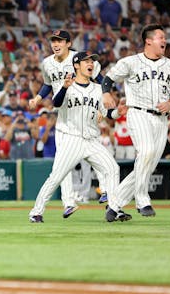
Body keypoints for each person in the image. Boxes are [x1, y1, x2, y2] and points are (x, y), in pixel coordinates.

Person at [29, 52, 126, 223]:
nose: (90, 64)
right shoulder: (67, 86)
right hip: (72, 139)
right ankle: (36, 212)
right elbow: (56, 103)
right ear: (76, 65)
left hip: (91, 140)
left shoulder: (98, 89)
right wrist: (65, 87)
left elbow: (107, 113)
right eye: (86, 61)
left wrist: (119, 112)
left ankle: (114, 208)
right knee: (57, 177)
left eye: (92, 61)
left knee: (112, 168)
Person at [102, 24, 170, 219]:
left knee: (146, 165)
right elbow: (108, 78)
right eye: (160, 37)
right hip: (138, 113)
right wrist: (106, 93)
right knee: (146, 152)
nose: (164, 40)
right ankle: (142, 200)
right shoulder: (131, 62)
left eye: (164, 38)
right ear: (148, 41)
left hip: (161, 120)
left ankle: (114, 205)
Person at [28, 29, 102, 216]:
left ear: (69, 43)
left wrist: (102, 108)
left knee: (97, 157)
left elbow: (101, 81)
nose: (56, 44)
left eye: (60, 40)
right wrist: (37, 98)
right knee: (63, 163)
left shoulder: (82, 59)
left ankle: (107, 193)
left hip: (83, 115)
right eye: (53, 40)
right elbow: (48, 84)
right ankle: (68, 202)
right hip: (63, 118)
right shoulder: (47, 63)